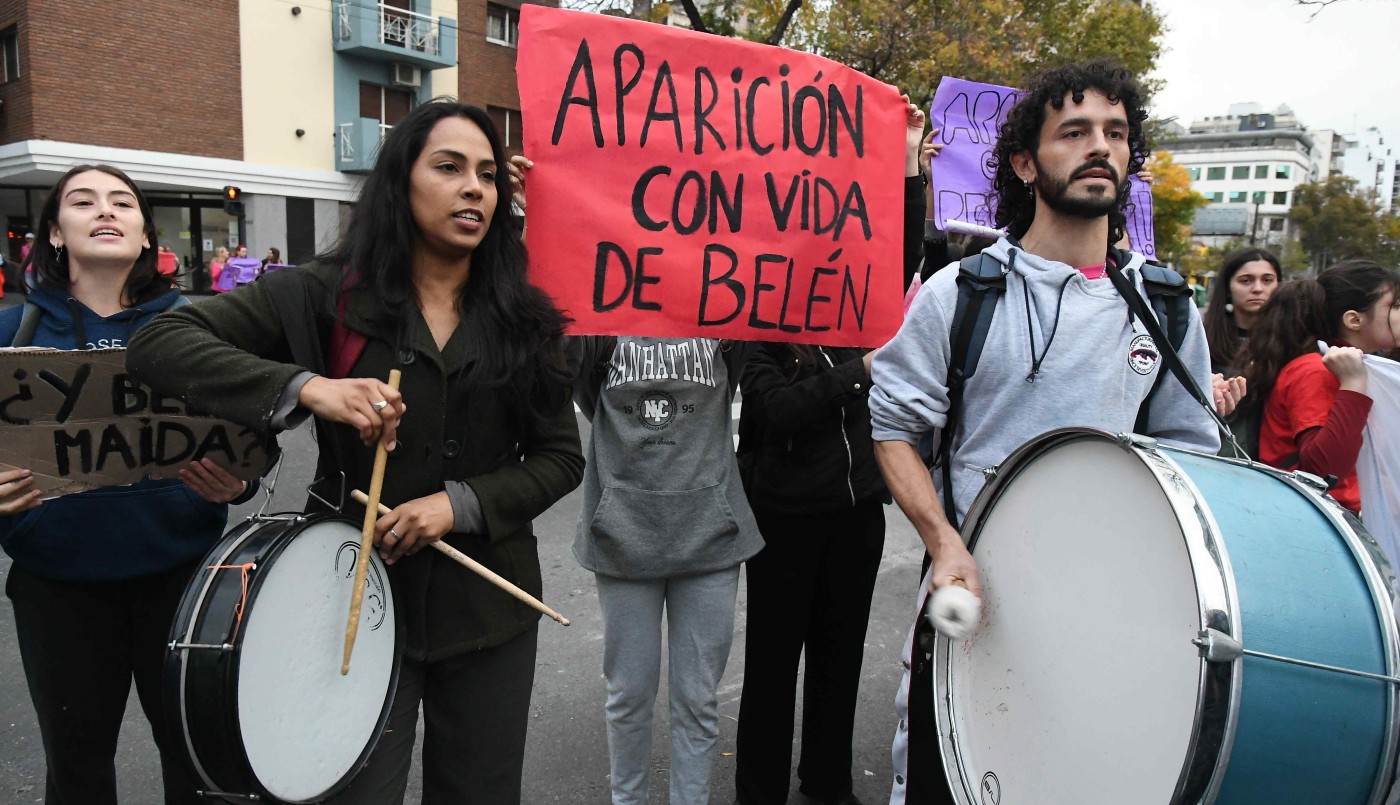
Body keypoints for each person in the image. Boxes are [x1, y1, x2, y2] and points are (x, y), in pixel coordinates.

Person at [127, 101, 584, 804]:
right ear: (400, 181)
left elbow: (560, 457)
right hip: (347, 598)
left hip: (492, 610)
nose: (474, 189)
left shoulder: (527, 314)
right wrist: (309, 388)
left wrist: (456, 505)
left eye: (489, 175)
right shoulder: (322, 294)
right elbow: (159, 346)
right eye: (449, 167)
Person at [867, 61, 1222, 805]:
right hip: (974, 613)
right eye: (1075, 132)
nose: (1100, 147)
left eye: (1116, 133)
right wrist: (944, 542)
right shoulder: (959, 294)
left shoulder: (1167, 307)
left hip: (1108, 625)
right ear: (1025, 162)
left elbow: (1190, 465)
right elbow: (894, 428)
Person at [0, 164, 256, 805]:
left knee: (196, 761)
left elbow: (246, 435)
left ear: (146, 235)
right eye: (82, 202)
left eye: (121, 202)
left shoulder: (202, 330)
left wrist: (238, 485)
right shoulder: (11, 337)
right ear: (55, 233)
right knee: (77, 771)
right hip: (57, 589)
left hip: (180, 581)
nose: (104, 211)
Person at [730, 100, 928, 805]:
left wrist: (907, 154)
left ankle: (828, 784)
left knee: (839, 664)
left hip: (856, 516)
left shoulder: (858, 302)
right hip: (783, 518)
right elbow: (774, 407)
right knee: (773, 665)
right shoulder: (753, 319)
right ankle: (758, 791)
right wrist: (855, 373)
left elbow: (905, 248)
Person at [1236, 259, 1399, 515]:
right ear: (1354, 320)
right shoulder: (1315, 370)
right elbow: (1325, 470)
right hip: (1316, 522)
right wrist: (1353, 387)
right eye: (1395, 306)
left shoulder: (1351, 367)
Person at [1203, 247, 1282, 374]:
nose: (1257, 289)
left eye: (1267, 280)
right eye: (1246, 281)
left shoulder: (1292, 339)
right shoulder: (1202, 339)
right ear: (1228, 287)